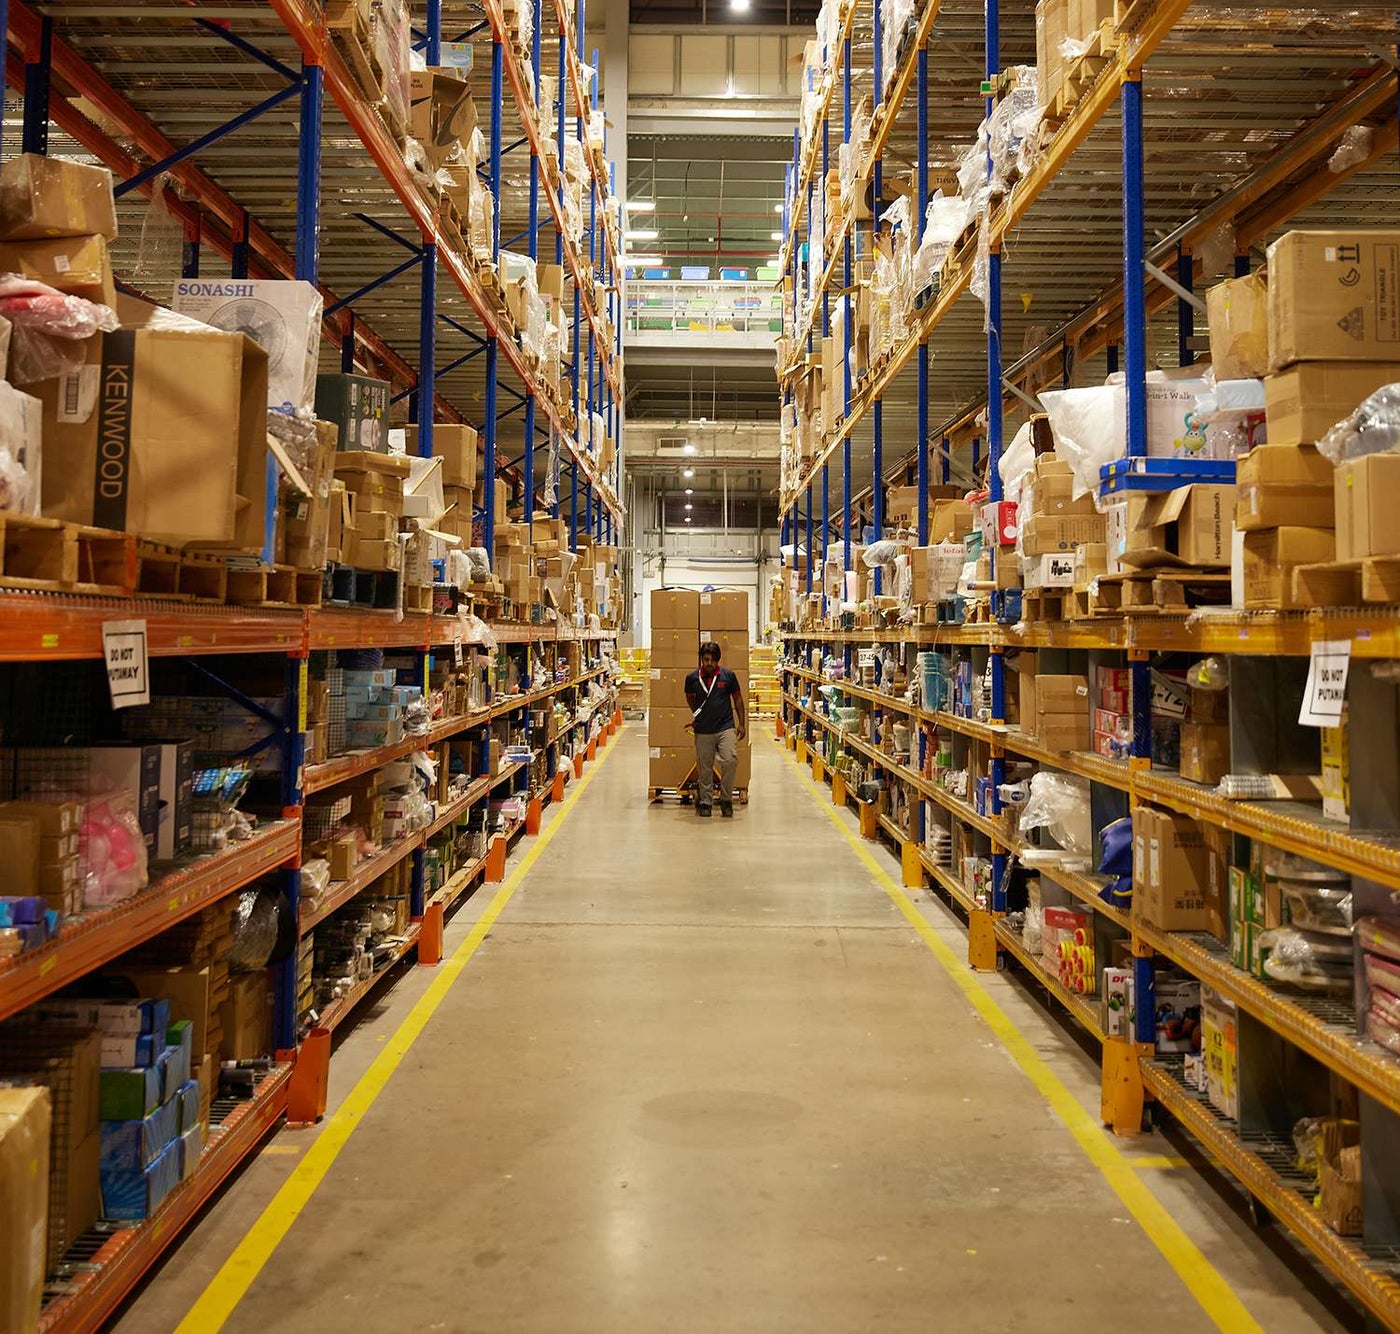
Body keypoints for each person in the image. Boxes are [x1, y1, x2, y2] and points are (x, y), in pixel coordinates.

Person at [684, 641, 746, 818]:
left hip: (725, 727)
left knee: (730, 760)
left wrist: (742, 723)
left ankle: (726, 799)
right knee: (705, 767)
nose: (709, 663)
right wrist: (698, 714)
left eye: (712, 660)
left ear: (718, 660)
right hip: (703, 730)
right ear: (701, 659)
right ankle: (705, 801)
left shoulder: (728, 676)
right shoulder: (692, 678)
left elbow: (738, 699)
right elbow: (689, 698)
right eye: (706, 659)